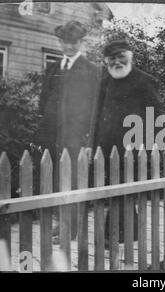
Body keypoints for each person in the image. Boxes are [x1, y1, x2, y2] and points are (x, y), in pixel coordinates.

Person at [35, 20, 101, 239]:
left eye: (74, 43)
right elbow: (43, 103)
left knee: (72, 180)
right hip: (52, 136)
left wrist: (89, 141)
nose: (69, 47)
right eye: (65, 42)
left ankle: (70, 229)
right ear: (60, 42)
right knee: (54, 178)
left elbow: (94, 110)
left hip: (75, 138)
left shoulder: (91, 71)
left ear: (81, 42)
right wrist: (41, 132)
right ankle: (58, 223)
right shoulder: (53, 67)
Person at [95, 40, 160, 243]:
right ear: (106, 61)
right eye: (112, 58)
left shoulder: (144, 81)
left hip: (133, 147)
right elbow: (96, 115)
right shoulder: (104, 81)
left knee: (122, 187)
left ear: (130, 56)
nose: (117, 62)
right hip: (107, 147)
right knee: (116, 188)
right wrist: (93, 144)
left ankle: (111, 235)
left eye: (121, 56)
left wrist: (148, 149)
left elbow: (156, 116)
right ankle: (129, 232)